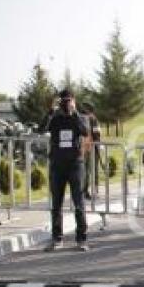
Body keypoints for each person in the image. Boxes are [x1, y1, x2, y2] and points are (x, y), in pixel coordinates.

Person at [40, 89, 90, 251]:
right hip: (57, 166)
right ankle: (57, 239)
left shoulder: (79, 117)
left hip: (75, 165)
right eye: (63, 101)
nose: (66, 104)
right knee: (57, 205)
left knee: (79, 203)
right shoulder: (54, 118)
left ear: (73, 101)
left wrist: (74, 112)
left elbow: (85, 131)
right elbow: (40, 129)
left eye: (68, 101)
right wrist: (49, 111)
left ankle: (81, 239)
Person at [79, 102, 103, 200]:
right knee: (93, 171)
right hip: (91, 148)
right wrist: (98, 145)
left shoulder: (79, 118)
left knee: (84, 171)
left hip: (82, 148)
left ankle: (83, 192)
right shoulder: (93, 119)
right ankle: (94, 191)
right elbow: (97, 134)